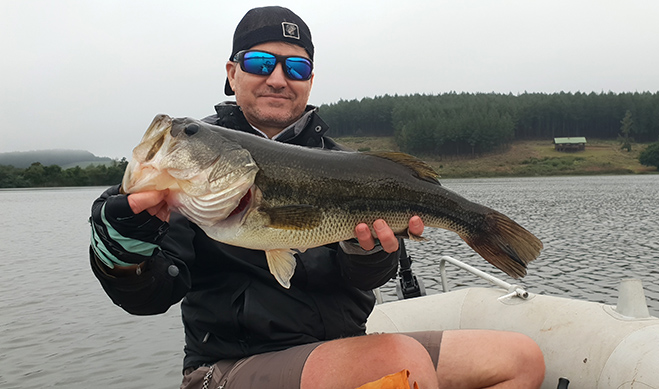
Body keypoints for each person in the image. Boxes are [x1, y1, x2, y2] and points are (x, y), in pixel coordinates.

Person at [89, 6, 545, 389]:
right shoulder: (186, 188)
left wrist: (365, 253)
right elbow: (148, 297)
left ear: (309, 80)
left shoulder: (346, 165)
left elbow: (366, 276)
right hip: (227, 368)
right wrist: (122, 245)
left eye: (297, 67)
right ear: (232, 73)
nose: (279, 78)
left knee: (520, 358)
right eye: (261, 63)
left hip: (340, 348)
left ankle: (478, 230)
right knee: (396, 360)